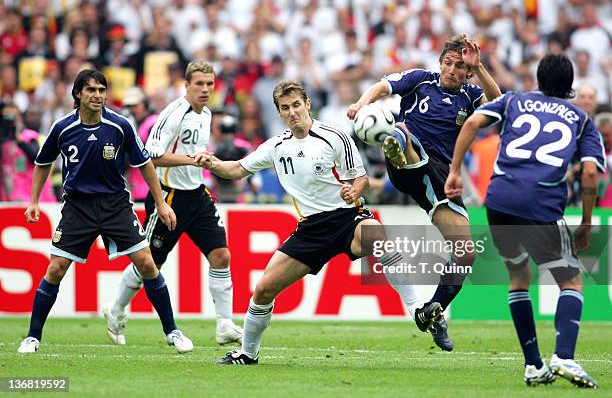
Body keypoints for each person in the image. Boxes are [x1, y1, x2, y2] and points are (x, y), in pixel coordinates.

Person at [195, 81, 425, 365]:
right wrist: (212, 163)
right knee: (264, 290)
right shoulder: (277, 146)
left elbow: (361, 178)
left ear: (307, 104)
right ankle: (248, 353)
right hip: (310, 230)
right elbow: (238, 168)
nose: (292, 112)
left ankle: (417, 309)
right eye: (285, 108)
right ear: (279, 113)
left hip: (346, 217)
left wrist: (354, 190)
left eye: (296, 105)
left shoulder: (335, 136)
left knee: (378, 236)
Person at [445, 54, 603, 388]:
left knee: (518, 277)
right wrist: (586, 221)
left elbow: (472, 123)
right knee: (571, 282)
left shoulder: (514, 100)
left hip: (499, 202)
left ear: (538, 79)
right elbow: (590, 173)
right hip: (541, 206)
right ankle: (564, 356)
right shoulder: (582, 119)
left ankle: (533, 366)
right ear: (570, 86)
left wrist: (455, 170)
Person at [17, 69, 193, 354]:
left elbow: (145, 164)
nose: (97, 95)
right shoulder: (63, 128)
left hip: (115, 205)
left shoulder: (120, 125)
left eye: (101, 90)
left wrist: (161, 203)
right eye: (91, 90)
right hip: (78, 207)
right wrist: (34, 201)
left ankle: (173, 332)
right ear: (77, 94)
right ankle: (32, 337)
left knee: (147, 264)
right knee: (55, 268)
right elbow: (43, 162)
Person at [346, 34, 502, 350]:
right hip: (409, 163)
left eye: (460, 67)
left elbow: (498, 101)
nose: (453, 70)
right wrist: (362, 104)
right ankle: (395, 147)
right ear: (440, 61)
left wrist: (480, 67)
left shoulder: (471, 95)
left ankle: (433, 311)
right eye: (448, 63)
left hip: (443, 177)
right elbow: (383, 86)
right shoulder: (420, 81)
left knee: (466, 252)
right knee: (402, 131)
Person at [104, 60, 243, 346]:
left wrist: (204, 163)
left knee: (221, 255)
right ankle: (115, 309)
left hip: (197, 194)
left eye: (209, 84)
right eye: (199, 84)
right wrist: (191, 162)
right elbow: (150, 155)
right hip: (168, 196)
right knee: (150, 263)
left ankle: (224, 323)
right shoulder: (173, 114)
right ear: (187, 85)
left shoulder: (206, 114)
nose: (205, 89)